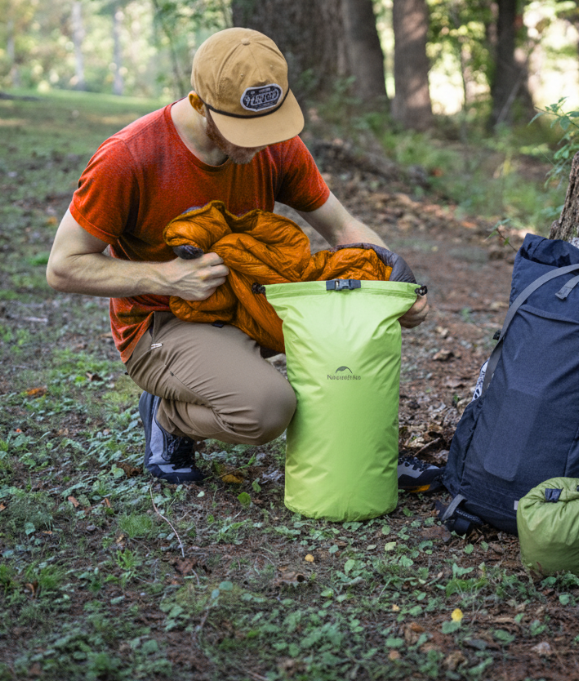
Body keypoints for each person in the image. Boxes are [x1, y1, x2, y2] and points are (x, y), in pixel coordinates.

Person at [46, 27, 429, 485]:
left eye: (267, 128)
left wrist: (397, 286)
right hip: (162, 323)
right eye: (242, 131)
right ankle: (168, 416)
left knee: (353, 319)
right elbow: (62, 266)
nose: (257, 144)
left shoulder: (273, 143)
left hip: (249, 301)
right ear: (198, 103)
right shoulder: (129, 157)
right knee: (267, 409)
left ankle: (368, 452)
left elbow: (344, 228)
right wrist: (168, 278)